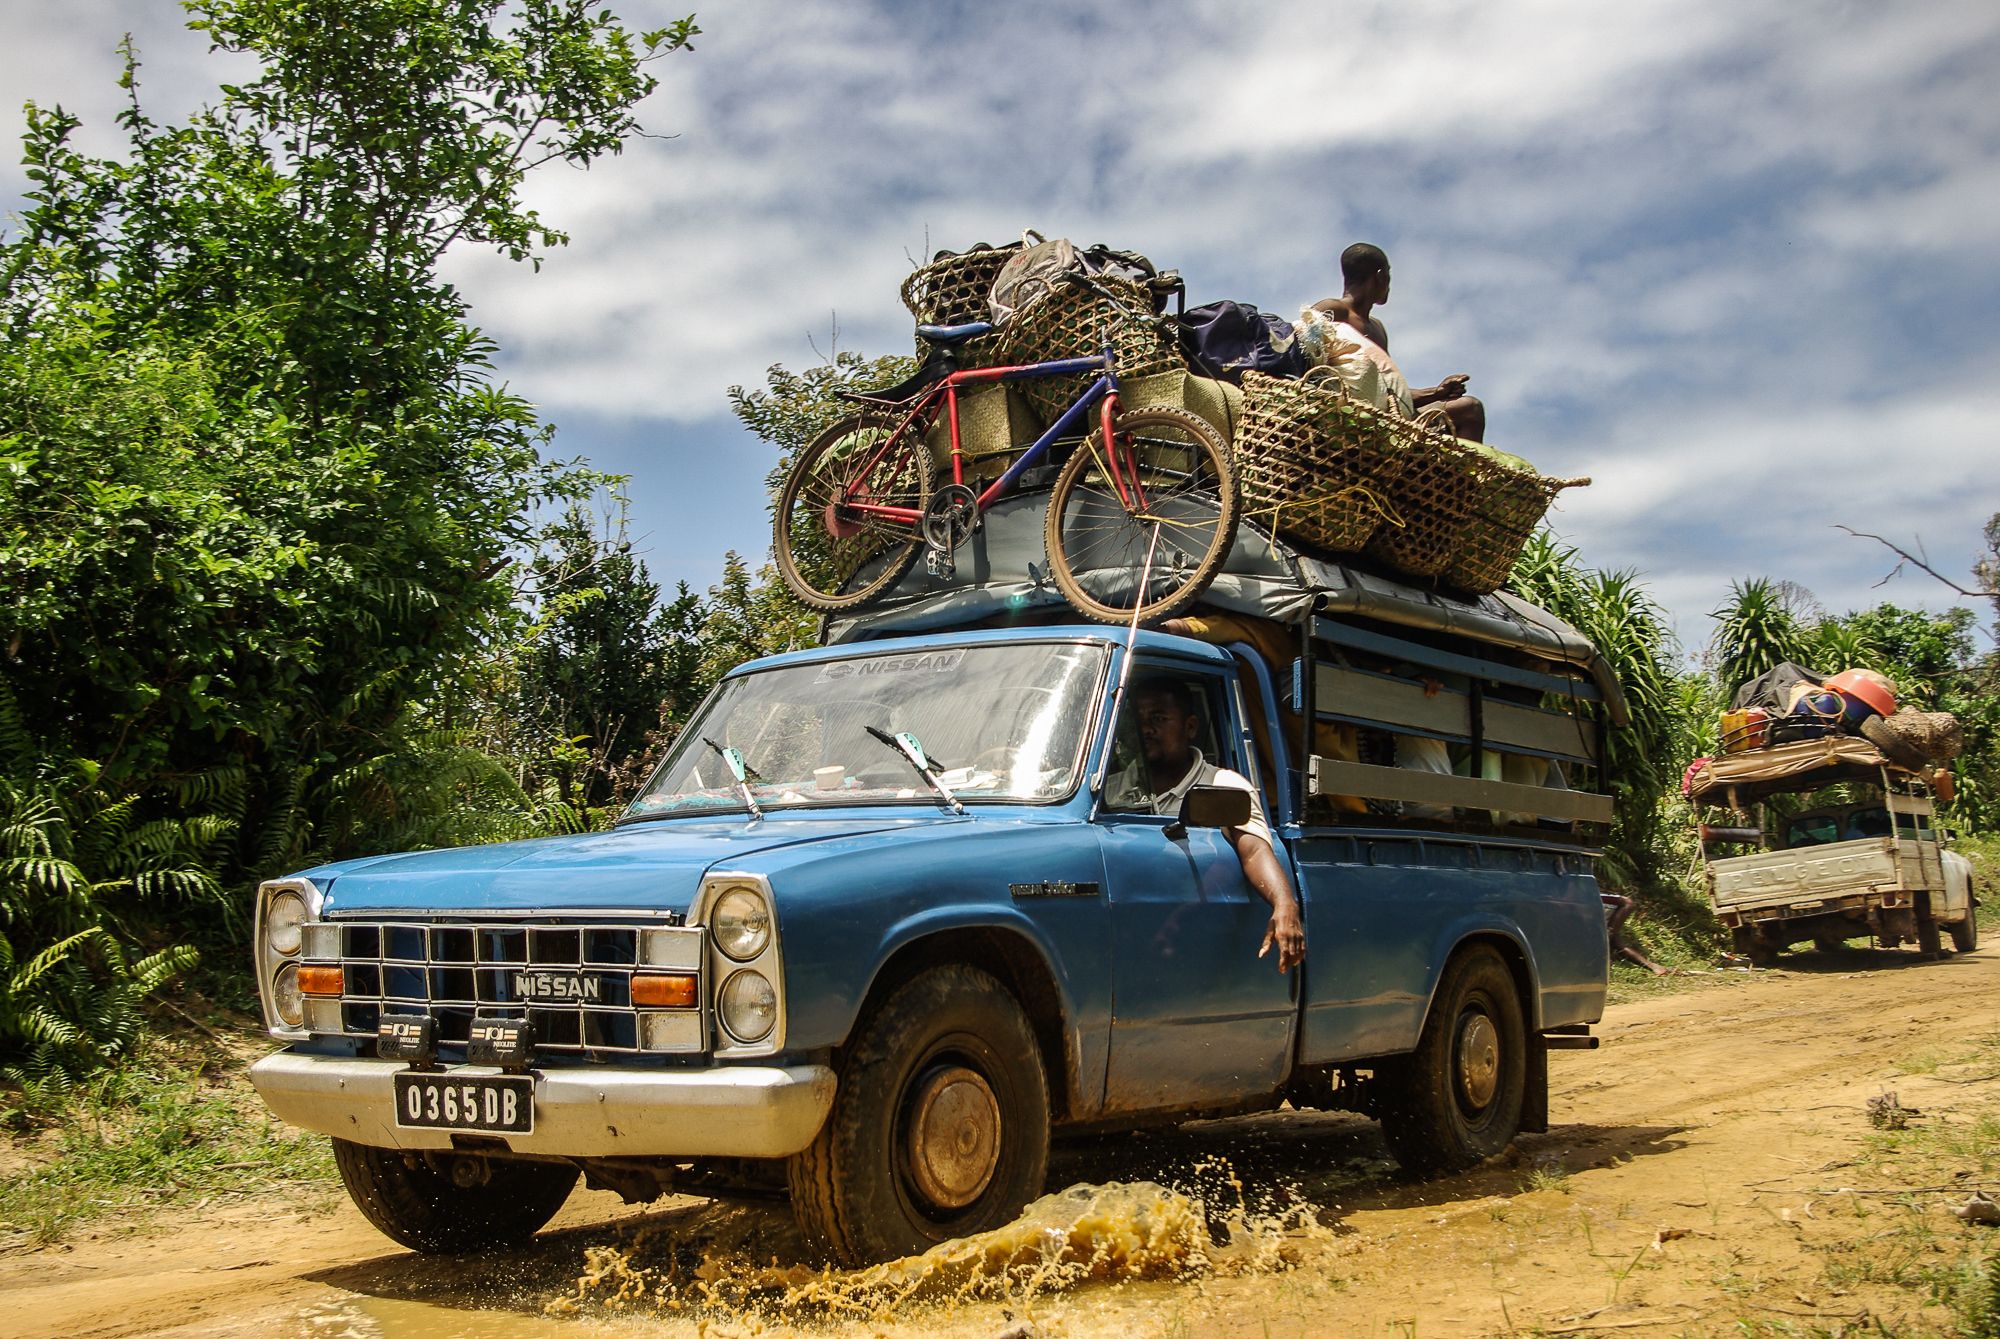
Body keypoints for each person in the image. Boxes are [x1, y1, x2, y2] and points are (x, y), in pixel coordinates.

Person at [1105, 676, 1306, 973]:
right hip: (1128, 938)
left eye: (1159, 718)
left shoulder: (1222, 785)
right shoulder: (1108, 789)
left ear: (1190, 727)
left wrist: (1285, 904)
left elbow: (1253, 851)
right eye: (1138, 719)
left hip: (1194, 941)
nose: (1145, 728)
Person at [1311, 242, 1486, 441]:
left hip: (1388, 414)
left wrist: (1436, 393)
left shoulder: (1377, 329)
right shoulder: (1334, 309)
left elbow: (1389, 393)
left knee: (1469, 409)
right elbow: (1303, 352)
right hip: (1347, 411)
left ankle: (1460, 471)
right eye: (1389, 274)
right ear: (1380, 276)